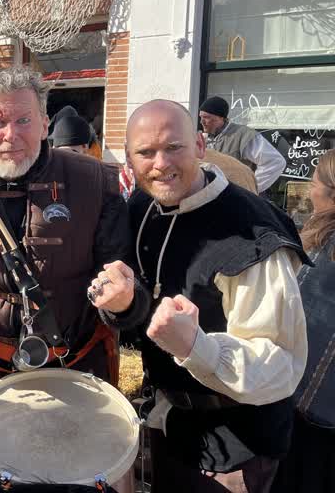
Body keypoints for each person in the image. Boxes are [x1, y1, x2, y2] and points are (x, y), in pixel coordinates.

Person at [0, 67, 135, 493]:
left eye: (23, 120)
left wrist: (121, 298)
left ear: (45, 123)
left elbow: (121, 274)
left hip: (72, 374)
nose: (10, 134)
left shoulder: (94, 182)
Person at [97, 99, 308, 493]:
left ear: (199, 144)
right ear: (128, 158)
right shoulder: (142, 208)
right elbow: (146, 310)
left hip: (236, 447)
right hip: (170, 427)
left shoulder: (252, 233)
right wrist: (125, 306)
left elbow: (281, 364)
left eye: (173, 147)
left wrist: (197, 346)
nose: (160, 163)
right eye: (146, 152)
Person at [271, 149, 335, 493]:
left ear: (330, 191)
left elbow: (300, 324)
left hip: (311, 412)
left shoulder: (324, 248)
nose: (310, 190)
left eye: (314, 182)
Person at [198, 96, 285, 193]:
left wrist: (250, 188)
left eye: (207, 117)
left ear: (221, 118)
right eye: (201, 117)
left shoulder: (243, 135)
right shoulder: (203, 137)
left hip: (236, 198)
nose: (202, 122)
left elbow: (275, 162)